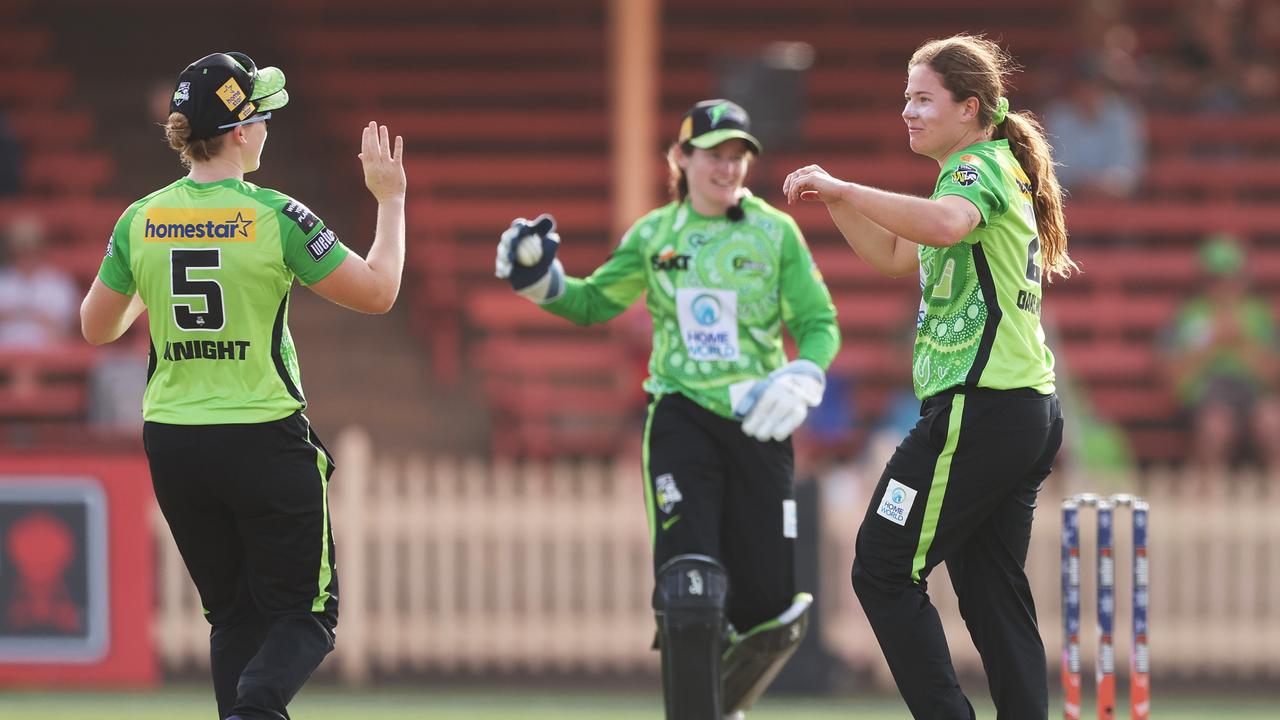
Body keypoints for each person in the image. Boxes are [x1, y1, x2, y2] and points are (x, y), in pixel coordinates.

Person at [78, 52, 406, 720]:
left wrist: (155, 281)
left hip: (174, 444)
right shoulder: (275, 214)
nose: (268, 127)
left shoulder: (139, 219)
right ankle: (258, 705)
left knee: (232, 618)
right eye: (262, 114)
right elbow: (378, 292)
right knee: (307, 617)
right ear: (239, 131)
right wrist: (391, 202)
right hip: (262, 437)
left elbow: (96, 327)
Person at [495, 99, 840, 719]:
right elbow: (593, 303)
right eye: (714, 154)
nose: (727, 167)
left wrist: (805, 375)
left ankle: (716, 702)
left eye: (738, 156)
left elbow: (817, 322)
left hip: (762, 422)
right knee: (690, 590)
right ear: (681, 158)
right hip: (682, 417)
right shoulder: (654, 235)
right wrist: (538, 279)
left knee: (775, 615)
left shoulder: (775, 233)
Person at [783, 34, 1073, 719]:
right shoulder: (971, 171)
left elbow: (944, 226)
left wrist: (847, 185)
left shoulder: (977, 171)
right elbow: (891, 254)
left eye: (922, 99)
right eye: (905, 99)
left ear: (970, 107)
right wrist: (837, 201)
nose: (907, 112)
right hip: (1019, 411)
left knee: (881, 566)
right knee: (990, 591)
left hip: (983, 408)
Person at [1159, 234, 1280, 473]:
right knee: (1215, 426)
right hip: (1207, 395)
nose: (1224, 286)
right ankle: (1206, 499)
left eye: (1231, 277)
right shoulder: (1187, 316)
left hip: (1252, 393)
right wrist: (1213, 345)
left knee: (1272, 421)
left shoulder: (1259, 315)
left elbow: (1273, 373)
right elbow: (1169, 374)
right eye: (1216, 279)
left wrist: (1241, 342)